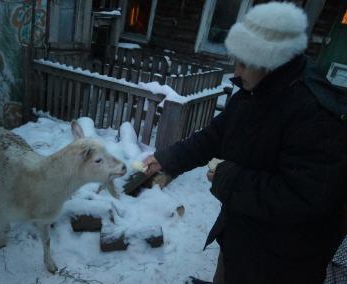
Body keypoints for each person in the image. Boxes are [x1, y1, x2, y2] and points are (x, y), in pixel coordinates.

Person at [143, 2, 347, 284]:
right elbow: (215, 135)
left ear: (269, 62)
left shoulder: (314, 115)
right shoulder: (254, 92)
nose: (235, 72)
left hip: (284, 259)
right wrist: (167, 158)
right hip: (244, 234)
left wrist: (228, 177)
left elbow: (306, 197)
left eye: (242, 62)